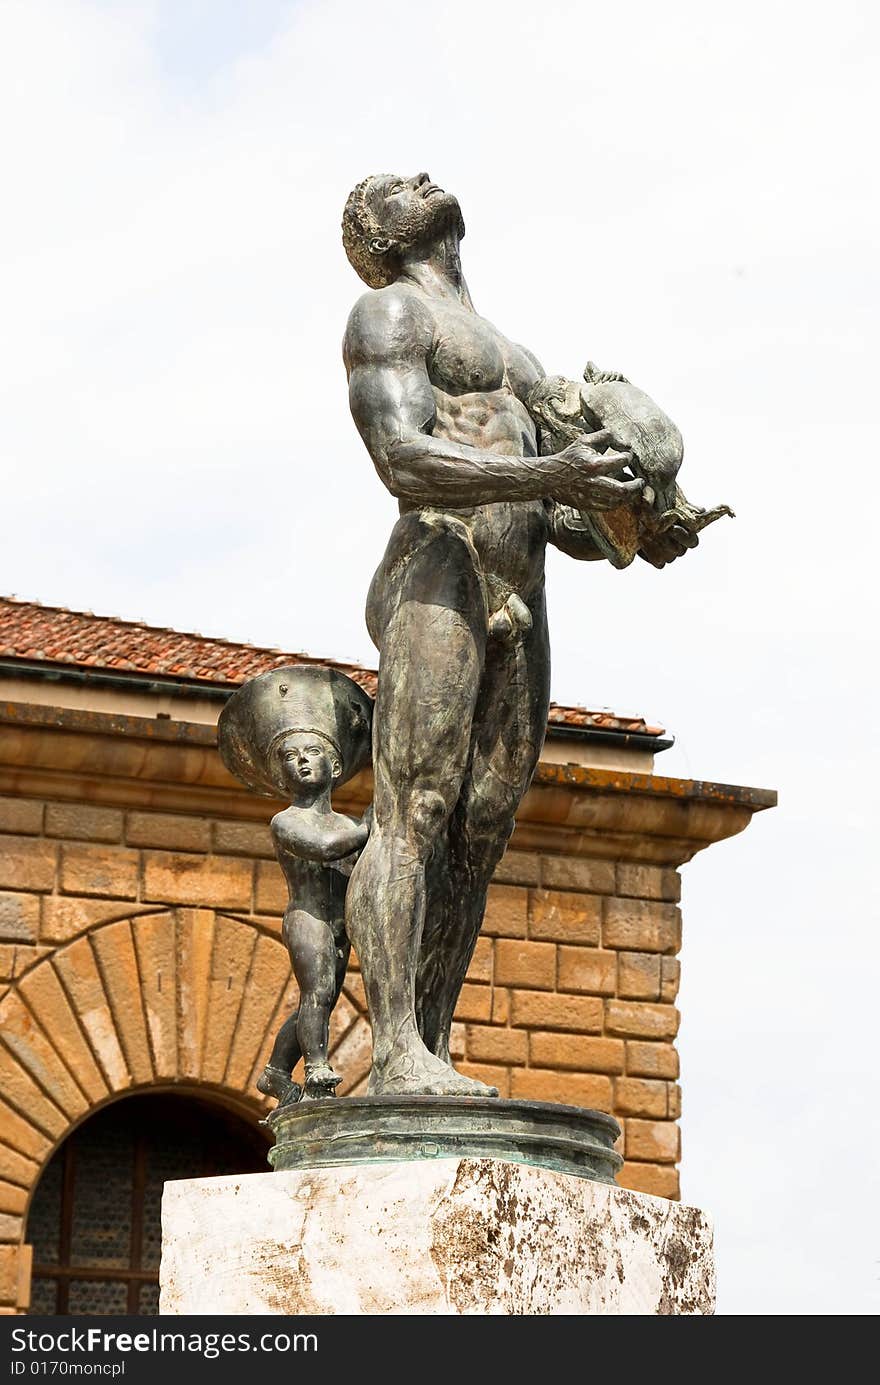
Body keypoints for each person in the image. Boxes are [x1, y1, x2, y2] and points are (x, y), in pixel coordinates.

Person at [341, 172, 699, 1097]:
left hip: (521, 585)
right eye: (390, 188)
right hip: (440, 566)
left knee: (482, 828)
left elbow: (558, 504)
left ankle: (432, 1043)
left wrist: (634, 524)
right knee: (414, 811)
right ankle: (392, 1055)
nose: (416, 179)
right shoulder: (388, 313)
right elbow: (403, 459)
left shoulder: (522, 357)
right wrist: (558, 470)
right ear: (373, 235)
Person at [218, 666, 372, 1104]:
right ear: (282, 775)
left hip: (341, 922)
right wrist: (369, 829)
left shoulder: (345, 822)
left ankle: (274, 1072)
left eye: (311, 751)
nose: (301, 759)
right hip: (309, 916)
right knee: (319, 992)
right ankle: (319, 1069)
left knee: (317, 998)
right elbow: (324, 847)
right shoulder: (286, 821)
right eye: (289, 755)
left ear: (335, 764)